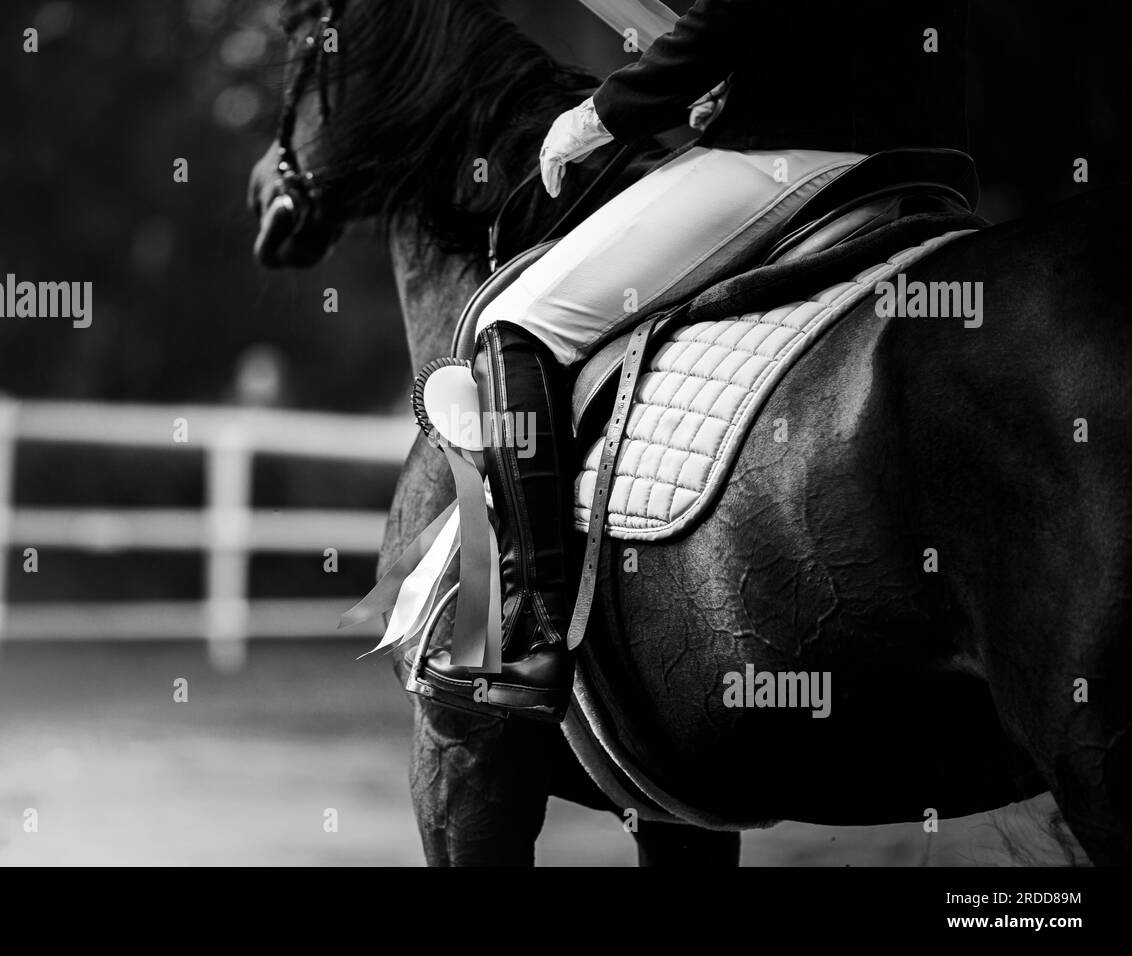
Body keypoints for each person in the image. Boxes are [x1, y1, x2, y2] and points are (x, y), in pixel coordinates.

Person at [412, 0, 970, 720]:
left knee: (515, 320)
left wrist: (601, 114)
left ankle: (529, 634)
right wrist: (745, 81)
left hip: (794, 150)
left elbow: (729, 13)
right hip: (933, 159)